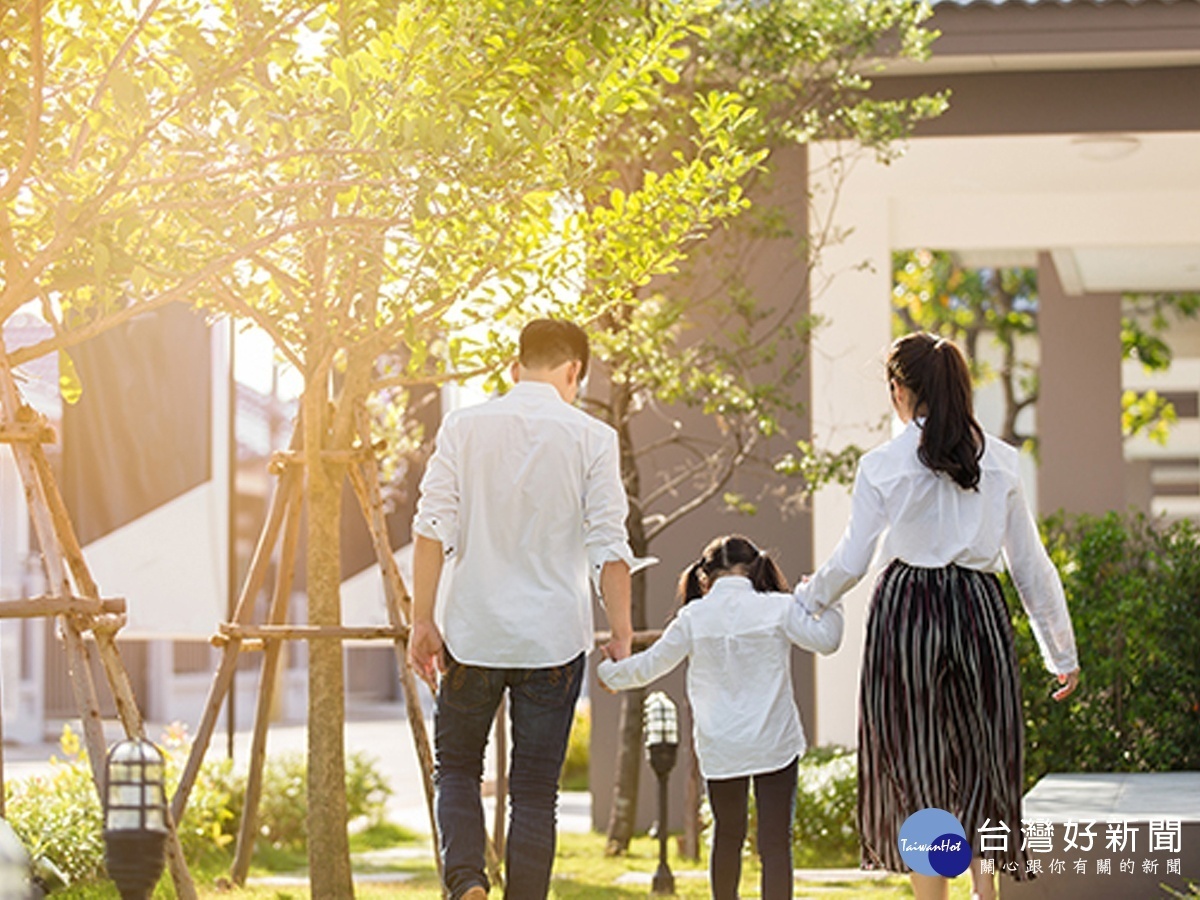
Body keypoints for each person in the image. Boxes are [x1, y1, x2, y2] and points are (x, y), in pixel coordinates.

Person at [799, 332, 1080, 900]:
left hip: (906, 615)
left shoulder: (882, 464)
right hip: (978, 609)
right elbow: (1030, 564)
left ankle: (933, 895)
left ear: (901, 390)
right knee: (985, 758)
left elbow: (854, 558)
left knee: (917, 759)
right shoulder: (999, 460)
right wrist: (1062, 653)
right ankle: (985, 893)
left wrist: (809, 597)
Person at [408, 318, 634, 900]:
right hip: (551, 641)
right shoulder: (592, 438)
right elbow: (610, 546)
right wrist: (621, 633)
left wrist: (422, 621)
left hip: (471, 632)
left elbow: (431, 529)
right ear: (573, 371)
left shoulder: (462, 427)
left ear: (515, 368)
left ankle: (467, 885)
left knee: (456, 770)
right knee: (535, 791)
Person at [598, 534, 844, 900]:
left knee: (727, 837)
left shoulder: (693, 617)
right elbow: (828, 640)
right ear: (755, 567)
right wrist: (830, 599)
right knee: (775, 844)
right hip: (774, 742)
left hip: (721, 746)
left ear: (704, 577)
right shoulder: (779, 607)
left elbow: (649, 666)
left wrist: (609, 674)